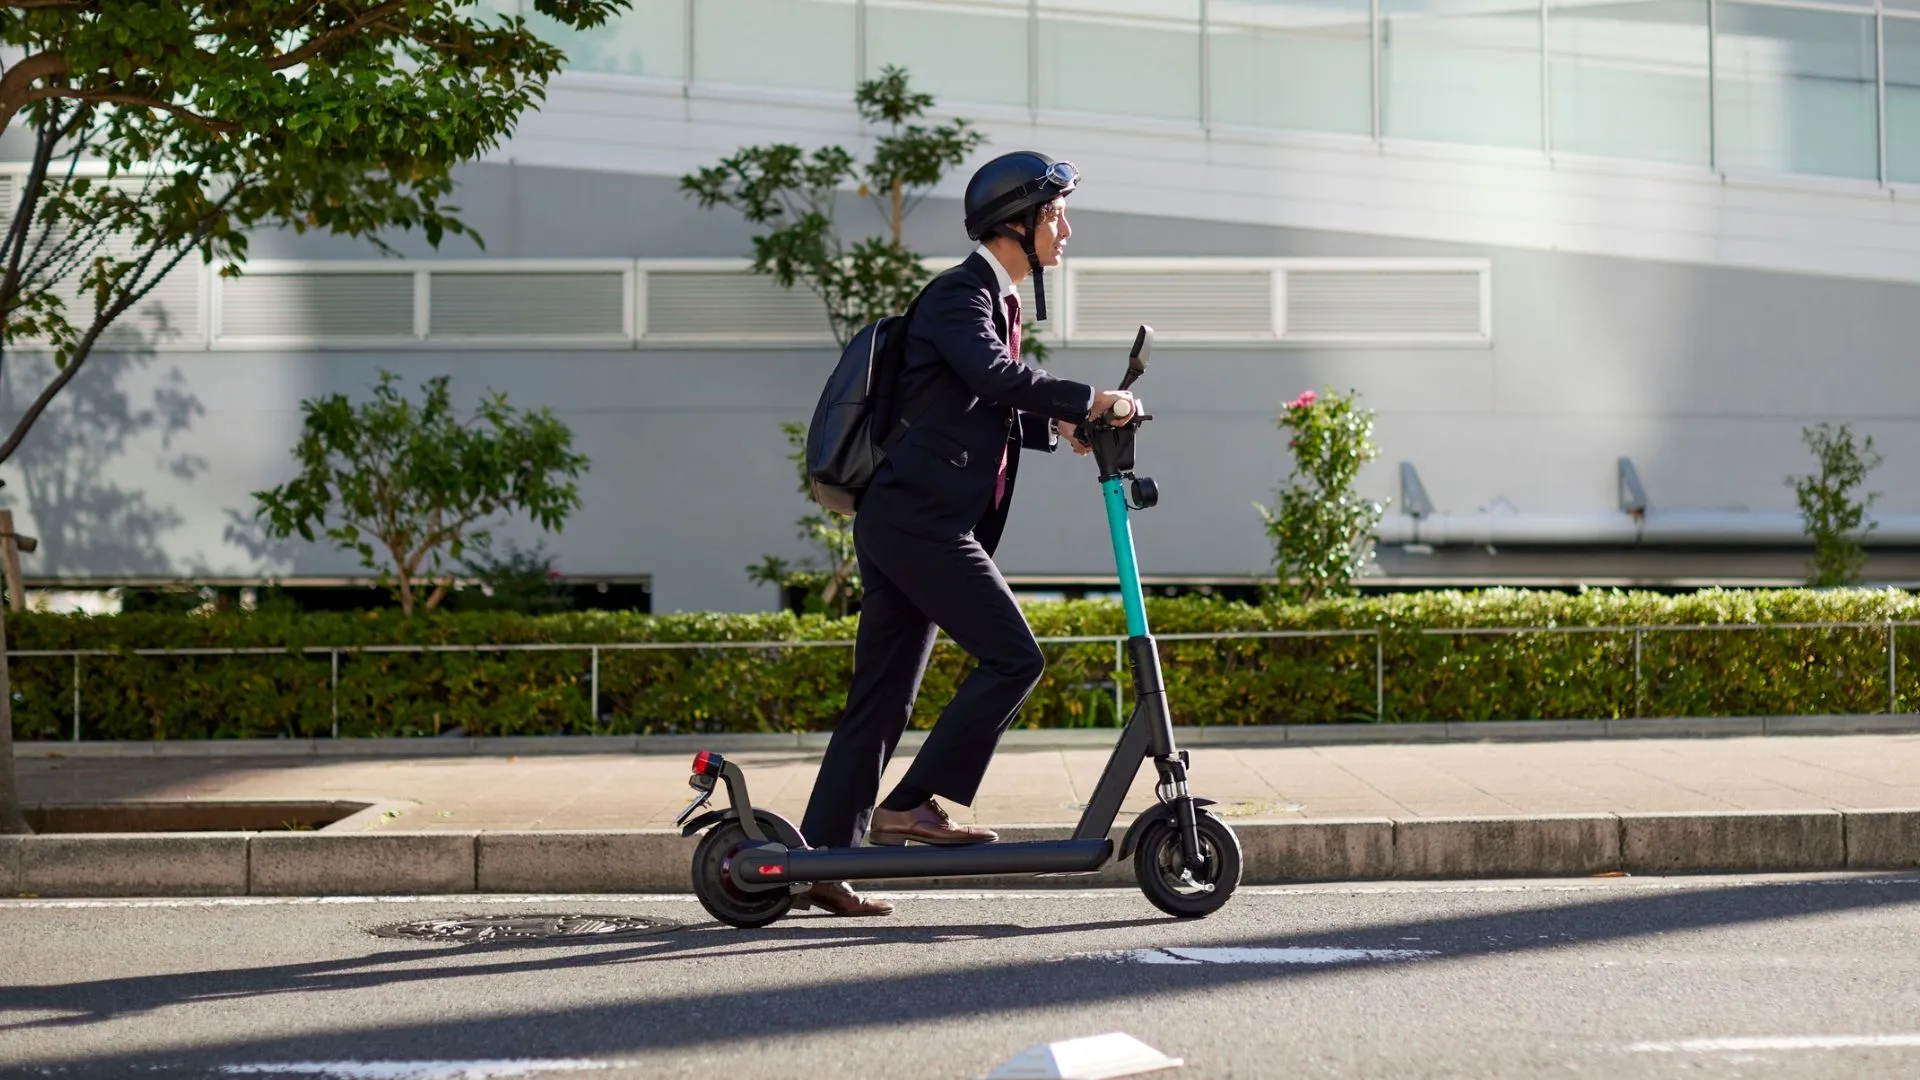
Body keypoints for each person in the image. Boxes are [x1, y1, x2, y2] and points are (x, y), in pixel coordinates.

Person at [793, 152, 1141, 917]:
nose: (1065, 230)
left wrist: (1059, 425)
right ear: (1013, 222)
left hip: (910, 519)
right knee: (1015, 657)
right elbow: (990, 376)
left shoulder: (996, 300)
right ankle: (910, 804)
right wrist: (1091, 399)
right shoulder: (960, 294)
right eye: (1055, 216)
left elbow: (976, 403)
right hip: (919, 520)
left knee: (881, 699)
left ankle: (821, 860)